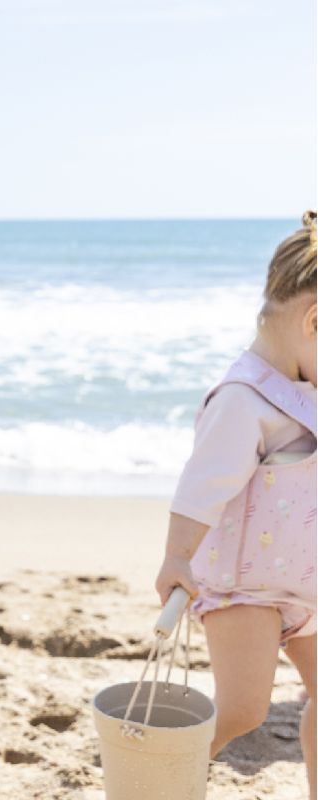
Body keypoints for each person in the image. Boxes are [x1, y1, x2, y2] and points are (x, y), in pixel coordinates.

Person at [156, 211, 317, 799]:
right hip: (245, 586)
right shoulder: (244, 400)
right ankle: (161, 781)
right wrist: (178, 558)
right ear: (314, 321)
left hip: (305, 585)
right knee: (243, 710)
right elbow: (202, 486)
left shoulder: (306, 388)